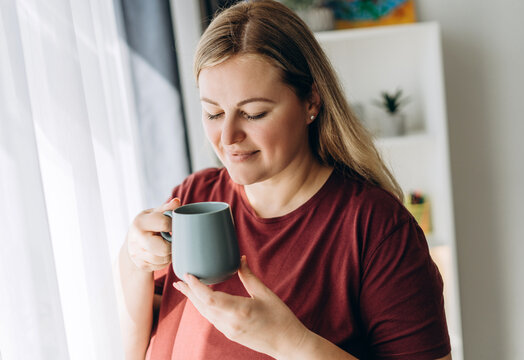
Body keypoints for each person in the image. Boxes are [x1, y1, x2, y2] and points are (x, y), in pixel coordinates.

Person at [115, 1, 452, 359]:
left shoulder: (375, 227)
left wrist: (291, 342)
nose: (228, 137)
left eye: (254, 113)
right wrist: (133, 260)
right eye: (213, 113)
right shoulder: (193, 197)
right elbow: (140, 344)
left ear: (311, 101)